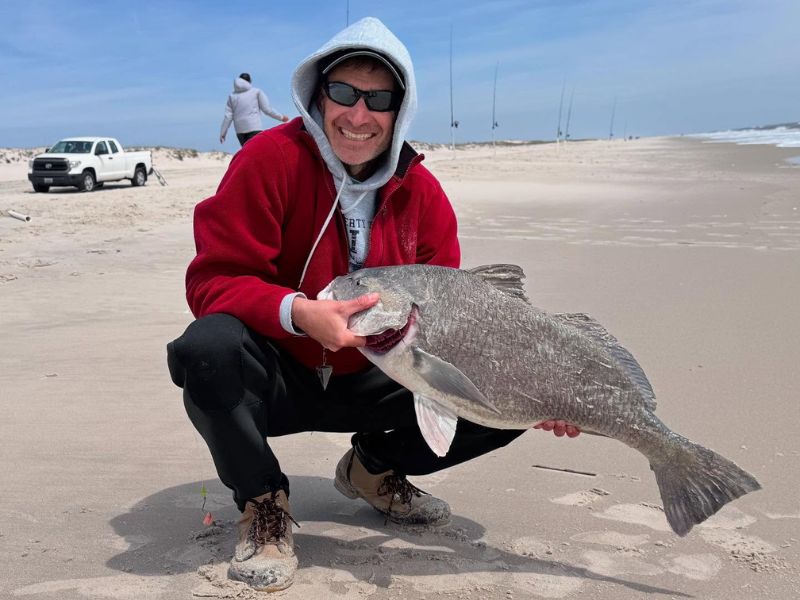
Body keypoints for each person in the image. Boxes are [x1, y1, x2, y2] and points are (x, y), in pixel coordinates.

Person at [168, 16, 580, 593]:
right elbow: (214, 279)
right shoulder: (268, 160)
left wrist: (541, 393)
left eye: (379, 99)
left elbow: (450, 316)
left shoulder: (423, 193)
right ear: (317, 94)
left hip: (383, 374)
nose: (358, 115)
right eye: (344, 93)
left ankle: (373, 469)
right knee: (205, 350)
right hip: (283, 373)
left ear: (399, 111)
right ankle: (263, 501)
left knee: (517, 394)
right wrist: (297, 312)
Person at [219, 72, 289, 146]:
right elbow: (266, 109)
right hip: (254, 128)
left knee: (247, 151)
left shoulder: (232, 96)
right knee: (257, 150)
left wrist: (223, 133)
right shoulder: (256, 92)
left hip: (239, 131)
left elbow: (228, 116)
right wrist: (281, 117)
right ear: (249, 81)